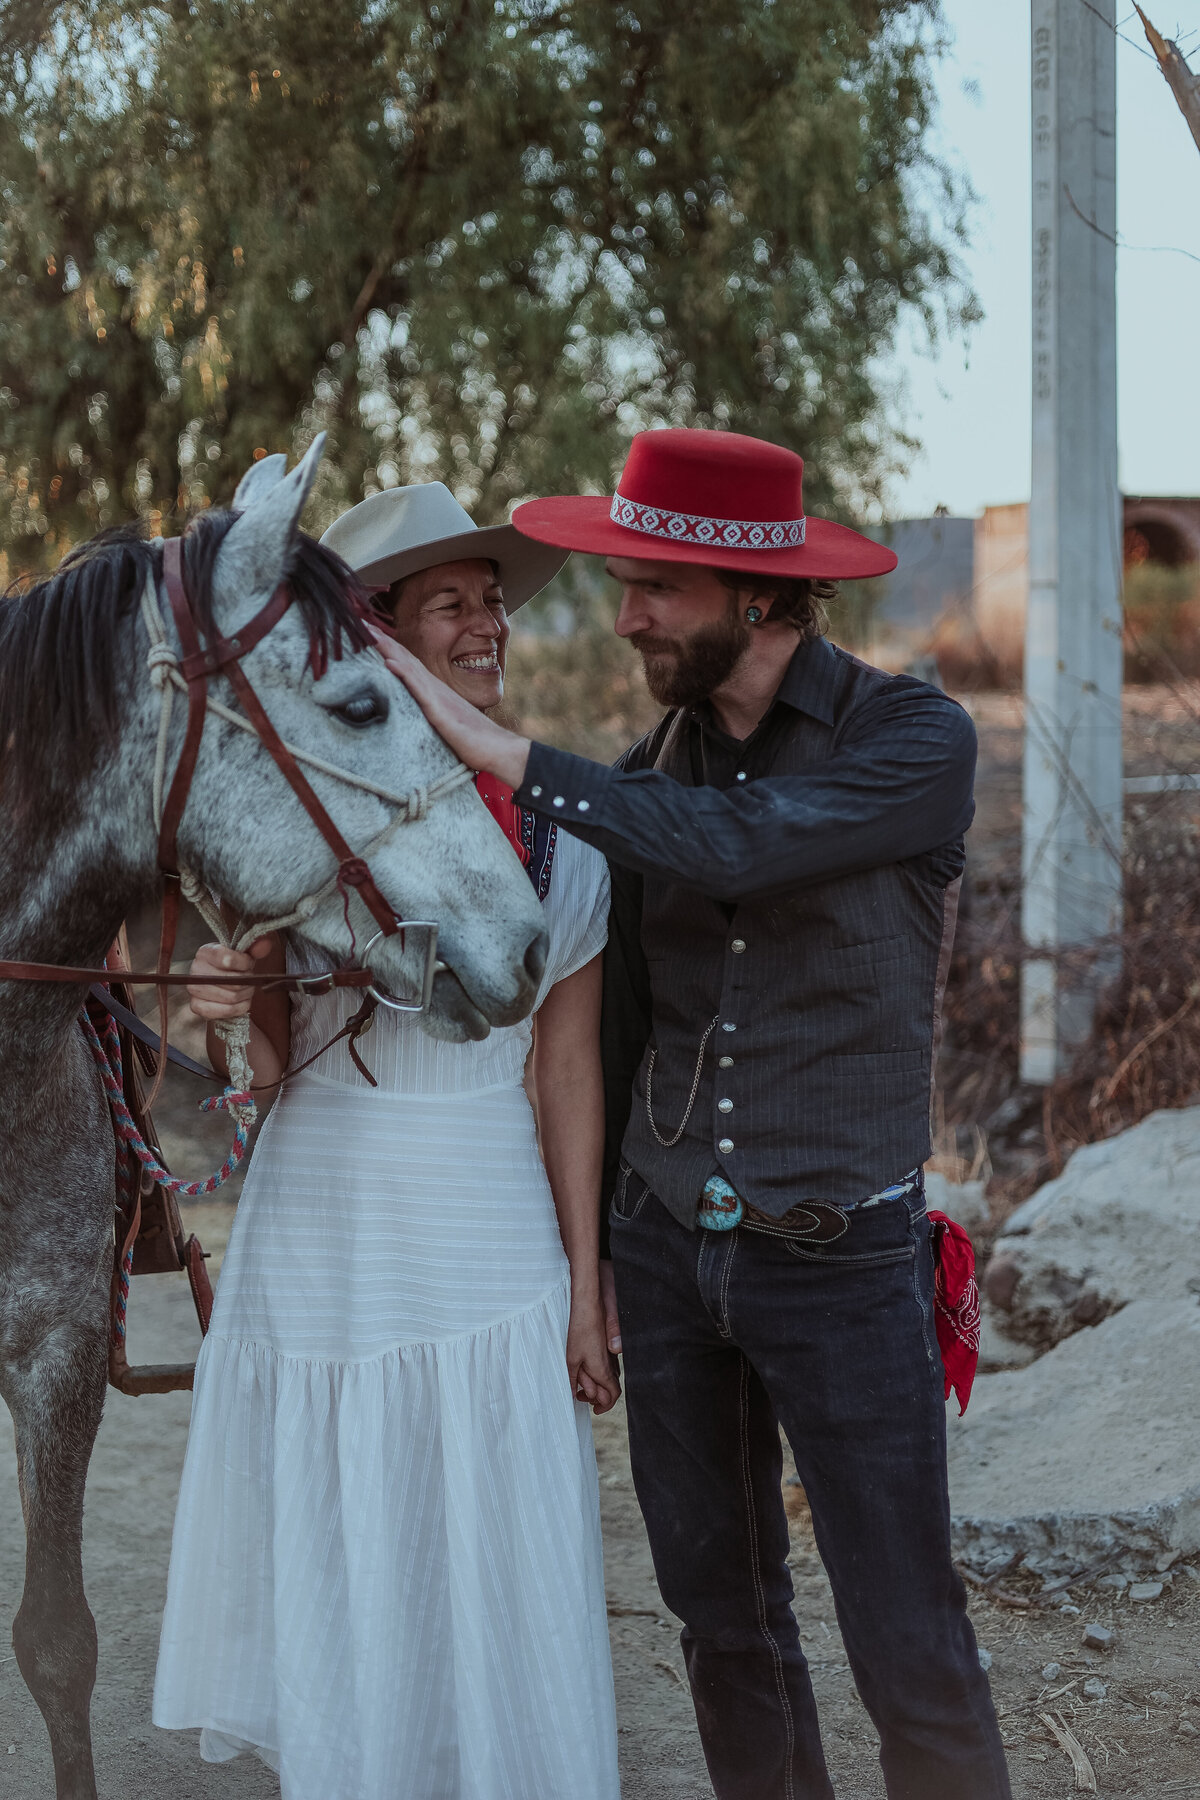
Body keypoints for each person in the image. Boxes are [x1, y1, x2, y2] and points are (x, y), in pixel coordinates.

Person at [377, 429, 1013, 1800]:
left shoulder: (913, 741)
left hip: (843, 1263)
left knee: (908, 1644)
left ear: (762, 600)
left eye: (656, 588)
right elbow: (600, 1039)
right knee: (723, 1630)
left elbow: (748, 844)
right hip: (668, 1262)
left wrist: (502, 744)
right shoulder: (641, 775)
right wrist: (593, 1276)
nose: (627, 618)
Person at [153, 482, 622, 1800]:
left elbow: (567, 1066)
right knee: (340, 1519)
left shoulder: (560, 832)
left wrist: (586, 1283)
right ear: (385, 633)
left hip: (480, 1200)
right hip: (324, 1199)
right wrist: (224, 1009)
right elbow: (260, 1071)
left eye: (493, 605)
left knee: (490, 1515)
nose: (486, 628)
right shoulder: (291, 819)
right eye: (452, 605)